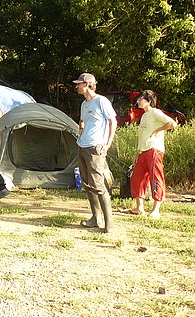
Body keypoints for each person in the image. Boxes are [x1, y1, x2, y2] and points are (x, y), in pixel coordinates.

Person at [74, 72, 118, 233]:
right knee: (87, 184)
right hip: (82, 145)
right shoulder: (84, 104)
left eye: (79, 83)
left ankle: (109, 223)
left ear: (87, 84)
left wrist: (108, 143)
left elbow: (113, 120)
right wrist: (81, 128)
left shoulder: (101, 101)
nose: (76, 86)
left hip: (95, 147)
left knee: (98, 185)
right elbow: (83, 120)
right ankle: (95, 218)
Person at [127, 90, 177, 218]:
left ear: (148, 101)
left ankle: (156, 210)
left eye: (140, 99)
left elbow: (172, 123)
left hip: (154, 149)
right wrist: (137, 153)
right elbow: (142, 135)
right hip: (143, 150)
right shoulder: (144, 116)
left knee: (156, 178)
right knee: (137, 177)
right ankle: (139, 208)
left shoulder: (156, 112)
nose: (138, 101)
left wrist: (157, 130)